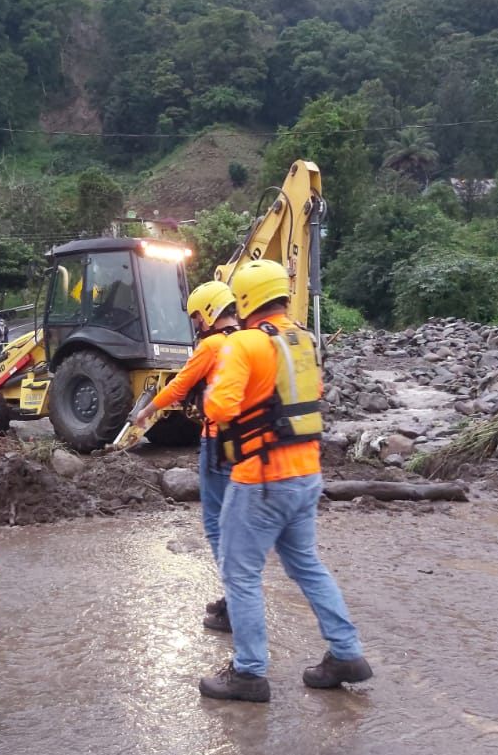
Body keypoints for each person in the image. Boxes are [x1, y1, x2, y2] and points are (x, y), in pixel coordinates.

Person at [200, 260, 371, 703]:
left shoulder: (245, 344)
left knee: (240, 573)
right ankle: (346, 652)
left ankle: (249, 673)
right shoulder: (304, 340)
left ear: (245, 299)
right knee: (306, 565)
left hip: (261, 479)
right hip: (305, 475)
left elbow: (219, 408)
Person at [132, 280, 237, 631]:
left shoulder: (210, 347)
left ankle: (235, 601)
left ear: (207, 313)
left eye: (195, 316)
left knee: (216, 526)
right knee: (236, 525)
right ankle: (235, 597)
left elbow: (179, 384)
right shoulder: (247, 340)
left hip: (216, 442)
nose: (195, 324)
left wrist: (147, 411)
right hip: (247, 444)